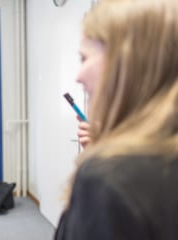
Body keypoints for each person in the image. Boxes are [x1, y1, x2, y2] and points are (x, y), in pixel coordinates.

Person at [55, 0, 178, 239]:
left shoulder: (107, 181)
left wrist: (100, 160)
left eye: (84, 58)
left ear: (126, 65)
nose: (78, 76)